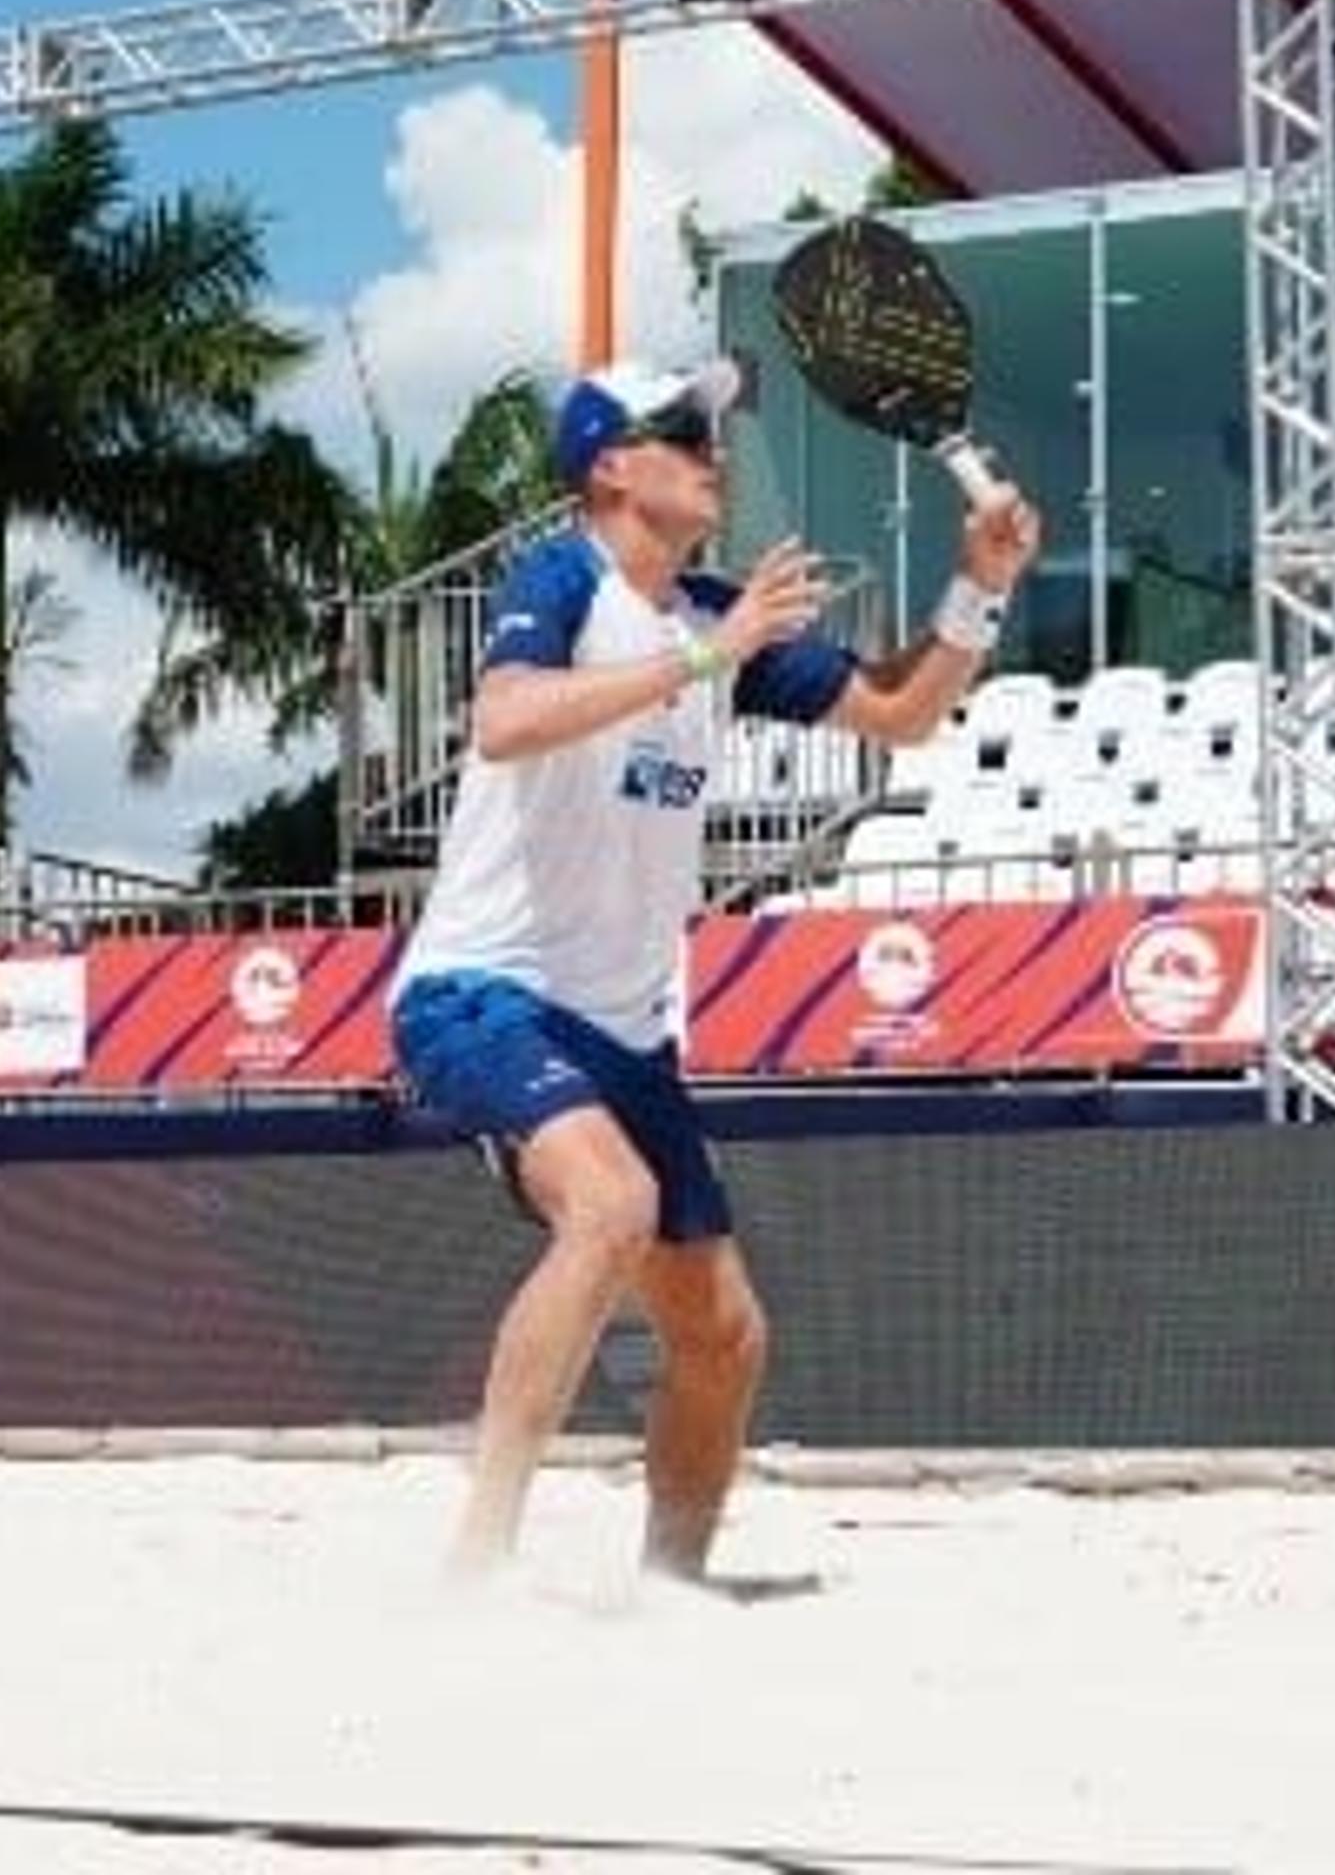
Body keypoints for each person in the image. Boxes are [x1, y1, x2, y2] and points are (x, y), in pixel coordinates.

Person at [389, 358, 1038, 1581]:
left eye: (715, 430)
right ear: (608, 466)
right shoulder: (567, 577)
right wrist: (707, 658)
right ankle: (477, 1565)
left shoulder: (713, 617)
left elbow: (901, 715)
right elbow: (504, 720)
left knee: (726, 1336)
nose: (715, 449)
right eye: (685, 430)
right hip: (481, 989)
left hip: (627, 1030)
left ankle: (670, 1592)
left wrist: (977, 592)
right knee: (612, 1207)